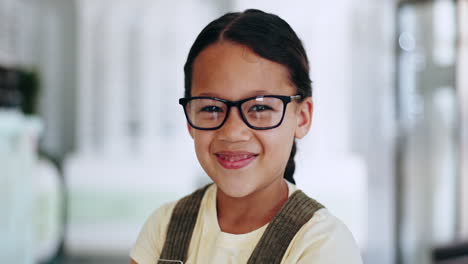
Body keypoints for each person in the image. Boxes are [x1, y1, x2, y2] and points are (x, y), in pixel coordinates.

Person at [130, 9, 363, 264]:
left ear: (302, 117)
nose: (232, 132)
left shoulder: (323, 245)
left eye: (260, 107)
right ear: (189, 119)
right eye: (210, 108)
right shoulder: (163, 228)